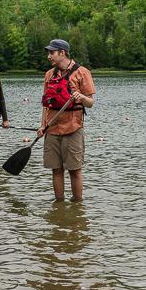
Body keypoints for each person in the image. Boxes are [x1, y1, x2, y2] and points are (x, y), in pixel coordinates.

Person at [38, 39, 95, 202]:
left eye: (51, 52)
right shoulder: (49, 75)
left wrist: (81, 96)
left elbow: (90, 103)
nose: (49, 56)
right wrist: (43, 126)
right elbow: (45, 105)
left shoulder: (82, 72)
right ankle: (59, 202)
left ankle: (77, 206)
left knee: (74, 170)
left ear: (62, 53)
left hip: (73, 128)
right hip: (52, 130)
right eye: (48, 52)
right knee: (56, 169)